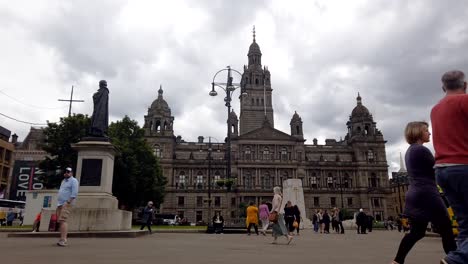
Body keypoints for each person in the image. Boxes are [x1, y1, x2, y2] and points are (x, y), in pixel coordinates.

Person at [392, 121, 456, 264]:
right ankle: (453, 260)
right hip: (427, 193)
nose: (429, 133)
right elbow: (438, 169)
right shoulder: (421, 150)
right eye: (426, 130)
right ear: (417, 132)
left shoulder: (410, 151)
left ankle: (397, 261)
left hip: (416, 194)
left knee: (417, 232)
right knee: (446, 229)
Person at [431, 70, 468, 264]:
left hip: (442, 170)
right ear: (465, 85)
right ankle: (456, 259)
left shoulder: (436, 108)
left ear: (444, 87)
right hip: (463, 166)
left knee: (465, 225)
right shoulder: (465, 101)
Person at [56, 167, 79, 247]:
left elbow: (74, 193)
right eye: (65, 171)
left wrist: (68, 201)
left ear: (71, 173)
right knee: (60, 221)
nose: (66, 173)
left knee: (63, 220)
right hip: (60, 203)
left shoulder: (73, 181)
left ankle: (64, 240)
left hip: (67, 203)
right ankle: (61, 238)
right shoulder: (63, 181)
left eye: (68, 172)